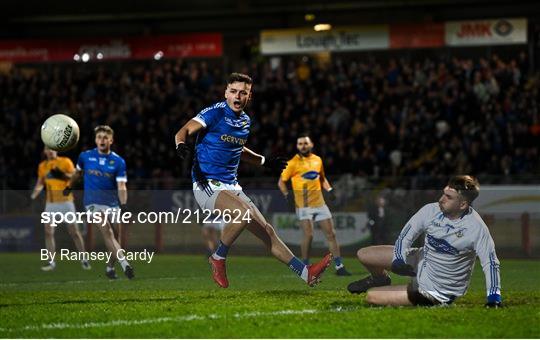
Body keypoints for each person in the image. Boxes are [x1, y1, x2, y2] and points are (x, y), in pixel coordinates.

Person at [175, 72, 332, 288]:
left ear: (250, 96)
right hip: (207, 183)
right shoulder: (214, 113)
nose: (238, 96)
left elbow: (238, 149)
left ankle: (305, 273)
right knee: (242, 214)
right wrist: (181, 145)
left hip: (231, 185)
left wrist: (264, 161)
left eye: (243, 93)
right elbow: (183, 131)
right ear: (226, 93)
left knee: (267, 231)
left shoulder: (245, 121)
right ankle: (218, 258)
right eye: (233, 91)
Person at [347, 175, 502, 307]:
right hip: (422, 260)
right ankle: (380, 279)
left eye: (449, 197)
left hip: (438, 289)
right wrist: (398, 260)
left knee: (372, 297)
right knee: (364, 254)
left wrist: (494, 298)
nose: (441, 199)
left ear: (463, 204)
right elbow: (405, 237)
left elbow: (491, 263)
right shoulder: (430, 210)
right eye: (443, 194)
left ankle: (419, 294)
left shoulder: (476, 228)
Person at [65, 125, 134, 280]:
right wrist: (69, 186)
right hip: (92, 203)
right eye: (99, 137)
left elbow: (121, 186)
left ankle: (110, 268)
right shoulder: (85, 156)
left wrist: (123, 204)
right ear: (95, 140)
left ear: (111, 140)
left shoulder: (118, 162)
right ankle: (126, 265)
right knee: (107, 231)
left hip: (112, 204)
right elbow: (77, 174)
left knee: (118, 239)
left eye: (105, 137)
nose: (101, 140)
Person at [278, 135, 351, 276]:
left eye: (305, 143)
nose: (303, 146)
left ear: (311, 144)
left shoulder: (317, 160)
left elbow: (322, 178)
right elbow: (281, 182)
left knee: (331, 234)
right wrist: (287, 195)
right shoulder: (293, 163)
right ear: (297, 146)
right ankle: (304, 267)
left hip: (319, 203)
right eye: (300, 144)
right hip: (303, 205)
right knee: (309, 235)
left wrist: (330, 190)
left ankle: (339, 266)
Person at [31, 146, 90, 271]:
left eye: (52, 149)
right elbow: (40, 183)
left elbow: (76, 177)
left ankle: (84, 259)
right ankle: (51, 262)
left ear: (56, 150)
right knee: (48, 232)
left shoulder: (65, 161)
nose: (50, 151)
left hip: (66, 202)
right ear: (45, 151)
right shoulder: (42, 166)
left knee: (74, 232)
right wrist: (33, 194)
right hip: (50, 203)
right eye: (48, 149)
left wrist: (62, 175)